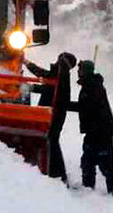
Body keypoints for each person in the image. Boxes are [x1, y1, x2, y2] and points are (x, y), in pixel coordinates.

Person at [24, 51, 77, 183]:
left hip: (52, 115)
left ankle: (57, 175)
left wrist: (27, 63)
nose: (57, 62)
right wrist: (31, 87)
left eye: (61, 60)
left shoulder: (61, 75)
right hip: (53, 115)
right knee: (52, 142)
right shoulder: (60, 76)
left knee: (52, 142)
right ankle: (57, 173)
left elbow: (42, 75)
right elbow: (47, 87)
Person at [74, 60, 113, 195]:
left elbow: (92, 108)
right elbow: (84, 106)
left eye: (80, 69)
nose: (78, 72)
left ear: (86, 71)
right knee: (88, 160)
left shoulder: (93, 86)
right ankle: (88, 187)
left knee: (105, 161)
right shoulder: (90, 85)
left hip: (101, 131)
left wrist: (95, 128)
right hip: (95, 130)